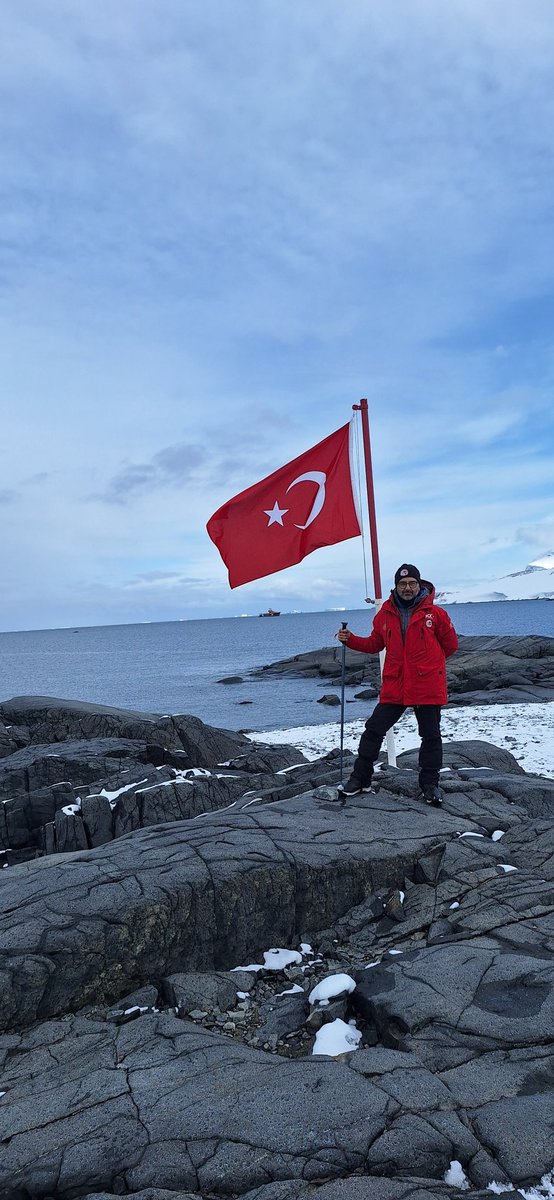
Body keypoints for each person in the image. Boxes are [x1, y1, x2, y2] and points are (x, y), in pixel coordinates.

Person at [337, 563, 458, 806]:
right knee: (373, 730)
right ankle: (360, 780)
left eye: (412, 583)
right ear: (396, 586)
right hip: (396, 685)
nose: (408, 588)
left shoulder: (436, 614)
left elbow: (451, 645)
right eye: (403, 584)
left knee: (431, 736)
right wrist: (350, 640)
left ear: (419, 585)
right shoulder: (384, 614)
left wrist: (428, 665)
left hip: (426, 685)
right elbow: (374, 644)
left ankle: (430, 785)